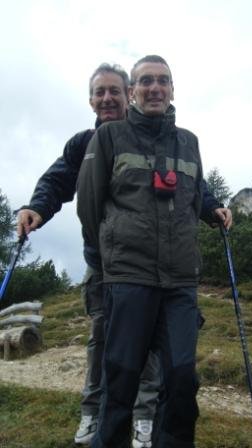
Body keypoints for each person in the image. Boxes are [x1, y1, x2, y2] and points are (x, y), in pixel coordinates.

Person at [77, 55, 232, 448]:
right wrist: (111, 258)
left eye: (163, 80)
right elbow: (89, 206)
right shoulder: (108, 138)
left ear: (173, 90)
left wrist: (213, 210)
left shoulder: (190, 142)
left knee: (182, 380)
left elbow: (194, 195)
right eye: (146, 81)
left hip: (180, 281)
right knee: (121, 380)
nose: (155, 87)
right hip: (128, 279)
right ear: (133, 91)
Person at [16, 63, 161, 448]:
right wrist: (37, 208)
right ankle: (92, 412)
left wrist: (211, 206)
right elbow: (57, 180)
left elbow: (183, 182)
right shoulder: (82, 144)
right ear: (91, 100)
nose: (108, 98)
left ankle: (144, 419)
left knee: (146, 342)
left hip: (144, 264)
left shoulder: (149, 137)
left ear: (130, 93)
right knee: (100, 338)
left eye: (115, 90)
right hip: (101, 263)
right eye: (100, 92)